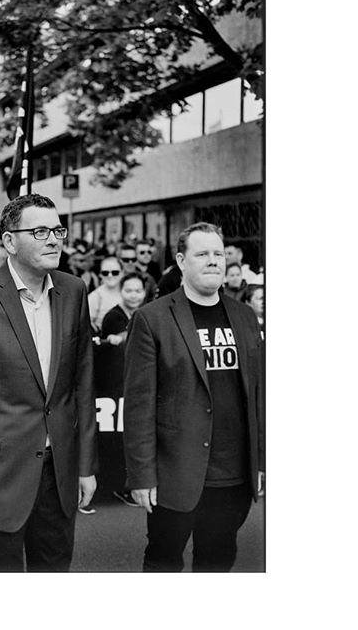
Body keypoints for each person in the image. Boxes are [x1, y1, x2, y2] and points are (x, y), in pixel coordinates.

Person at [0, 193, 98, 572]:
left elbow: (82, 387)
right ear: (10, 241)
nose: (54, 239)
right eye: (40, 231)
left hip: (59, 475)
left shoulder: (74, 292)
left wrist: (86, 465)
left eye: (57, 229)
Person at [123, 222, 264, 572]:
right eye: (202, 254)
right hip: (174, 474)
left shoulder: (245, 317)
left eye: (218, 254)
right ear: (182, 261)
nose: (213, 261)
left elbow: (259, 396)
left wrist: (261, 460)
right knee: (163, 562)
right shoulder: (151, 319)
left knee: (217, 561)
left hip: (232, 474)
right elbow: (139, 405)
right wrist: (142, 476)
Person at [100, 273, 147, 507]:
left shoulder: (145, 313)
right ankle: (119, 486)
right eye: (129, 290)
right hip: (116, 386)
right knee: (117, 438)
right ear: (121, 292)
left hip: (137, 383)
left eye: (138, 290)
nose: (134, 295)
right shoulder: (113, 317)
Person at [87, 256, 123, 333]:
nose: (110, 276)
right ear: (100, 274)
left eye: (115, 272)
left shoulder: (128, 291)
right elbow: (86, 324)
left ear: (122, 272)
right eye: (105, 273)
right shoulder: (95, 296)